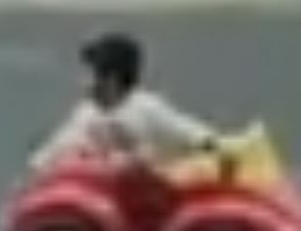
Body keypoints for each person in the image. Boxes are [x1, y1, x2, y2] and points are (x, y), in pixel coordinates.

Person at [31, 33, 217, 174]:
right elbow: (56, 149)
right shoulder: (86, 113)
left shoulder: (146, 108)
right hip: (101, 197)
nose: (83, 82)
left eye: (89, 74)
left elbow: (190, 134)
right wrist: (41, 165)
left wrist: (211, 146)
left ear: (111, 79)